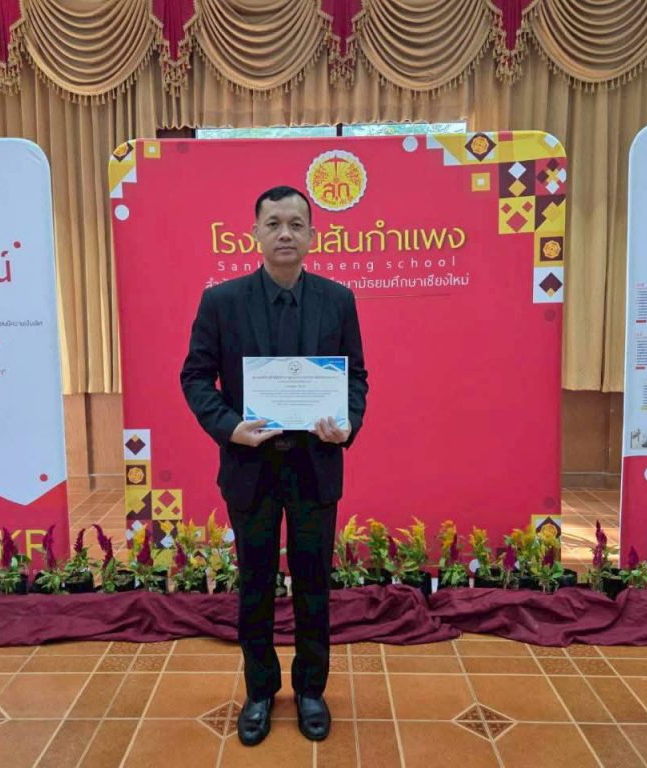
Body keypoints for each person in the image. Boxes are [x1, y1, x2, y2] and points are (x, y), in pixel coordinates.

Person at [180, 185, 369, 747]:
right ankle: (260, 692)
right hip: (250, 467)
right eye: (273, 224)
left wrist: (347, 423)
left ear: (312, 235)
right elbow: (195, 377)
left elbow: (356, 377)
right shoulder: (222, 302)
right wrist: (229, 426)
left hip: (315, 466)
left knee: (313, 584)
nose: (285, 233)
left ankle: (311, 690)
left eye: (296, 224)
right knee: (255, 584)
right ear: (255, 234)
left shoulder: (338, 300)